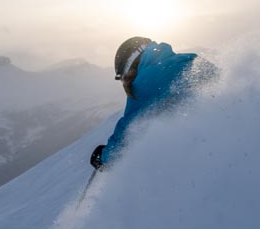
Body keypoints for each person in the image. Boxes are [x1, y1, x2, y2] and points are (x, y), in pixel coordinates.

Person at [89, 36, 214, 170]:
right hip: (217, 129)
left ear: (128, 66)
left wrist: (103, 157)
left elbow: (128, 131)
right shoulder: (188, 58)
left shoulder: (144, 83)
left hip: (205, 147)